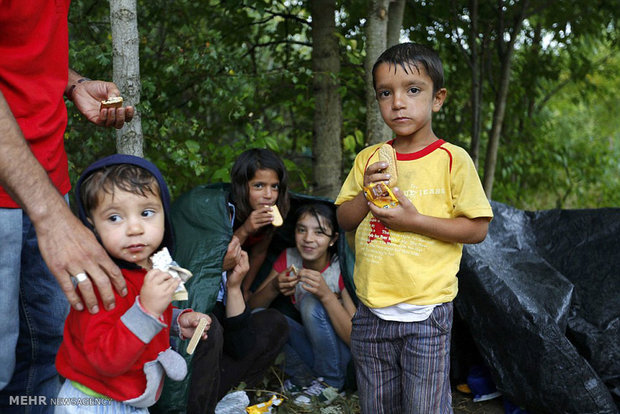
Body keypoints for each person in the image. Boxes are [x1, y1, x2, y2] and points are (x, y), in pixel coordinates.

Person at [335, 42, 494, 414]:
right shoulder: (369, 159)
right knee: (377, 405)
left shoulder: (452, 159)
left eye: (413, 90)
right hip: (371, 312)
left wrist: (414, 221)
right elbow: (343, 219)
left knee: (424, 406)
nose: (398, 103)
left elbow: (477, 229)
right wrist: (365, 190)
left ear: (437, 99)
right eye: (386, 93)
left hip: (426, 311)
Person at [0, 2, 134, 410]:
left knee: (49, 351)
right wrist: (51, 217)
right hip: (30, 203)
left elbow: (21, 48)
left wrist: (73, 83)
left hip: (47, 181)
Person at [54, 154, 211, 413]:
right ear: (92, 225)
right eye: (115, 218)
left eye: (147, 213)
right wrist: (148, 311)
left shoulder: (146, 268)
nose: (135, 228)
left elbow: (131, 316)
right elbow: (105, 360)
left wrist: (175, 322)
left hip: (132, 399)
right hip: (93, 401)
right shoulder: (98, 282)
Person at [249, 203, 356, 405]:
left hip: (342, 359)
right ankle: (304, 380)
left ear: (333, 239)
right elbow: (252, 308)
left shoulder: (338, 269)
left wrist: (326, 296)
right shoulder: (290, 259)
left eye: (319, 232)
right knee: (262, 318)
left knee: (310, 303)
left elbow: (355, 339)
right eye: (301, 230)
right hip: (313, 351)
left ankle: (331, 385)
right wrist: (274, 287)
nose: (308, 239)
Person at [228, 148, 290, 297]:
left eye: (274, 186)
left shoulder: (271, 214)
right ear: (242, 186)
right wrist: (245, 229)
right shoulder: (227, 210)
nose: (268, 195)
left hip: (242, 274)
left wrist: (245, 289)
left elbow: (259, 253)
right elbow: (220, 254)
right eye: (259, 186)